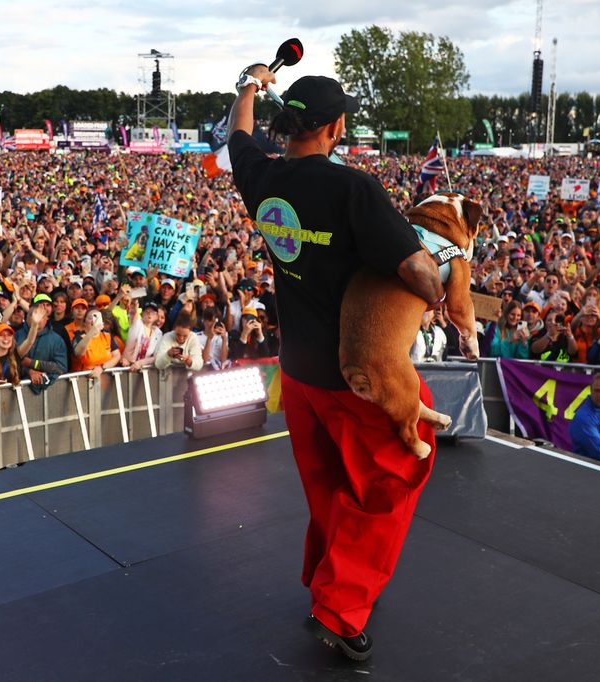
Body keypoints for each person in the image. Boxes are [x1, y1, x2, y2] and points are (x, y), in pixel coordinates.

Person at [228, 66, 451, 662]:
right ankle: (340, 609)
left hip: (297, 374)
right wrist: (439, 285)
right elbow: (418, 273)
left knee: (327, 485)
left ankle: (326, 581)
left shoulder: (262, 177)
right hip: (358, 377)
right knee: (395, 476)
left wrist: (249, 85)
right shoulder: (355, 189)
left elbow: (237, 137)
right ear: (336, 126)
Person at [14, 293, 69, 390]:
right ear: (26, 317)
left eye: (40, 316)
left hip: (51, 392)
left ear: (46, 318)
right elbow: (10, 363)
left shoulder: (57, 339)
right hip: (18, 392)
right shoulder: (16, 335)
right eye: (32, 315)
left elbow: (61, 367)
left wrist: (33, 363)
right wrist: (28, 371)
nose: (36, 319)